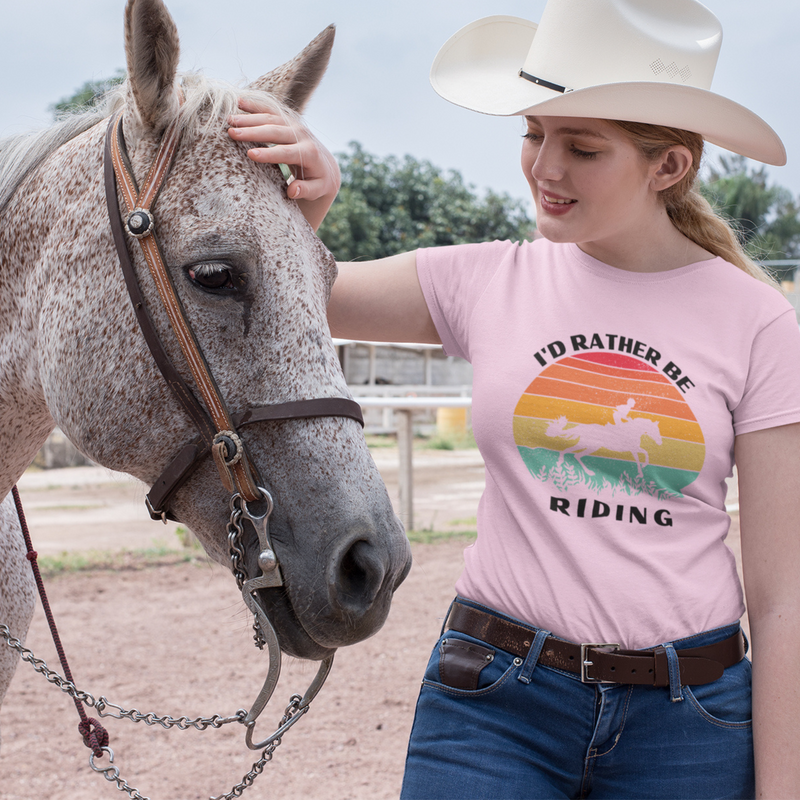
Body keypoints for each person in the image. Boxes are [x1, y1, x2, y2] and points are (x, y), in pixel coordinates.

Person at [228, 1, 800, 797]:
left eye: (583, 147)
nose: (544, 167)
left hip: (689, 721)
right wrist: (308, 207)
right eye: (534, 133)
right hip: (493, 703)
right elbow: (299, 297)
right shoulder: (484, 280)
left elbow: (783, 600)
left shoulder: (761, 324)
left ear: (668, 166)